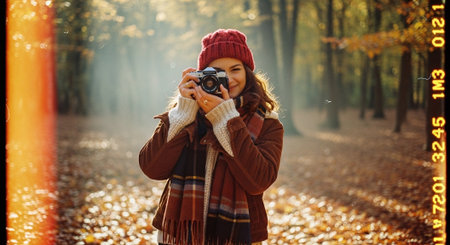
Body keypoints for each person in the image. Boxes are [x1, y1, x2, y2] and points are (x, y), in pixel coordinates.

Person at [139, 29, 284, 245]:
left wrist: (225, 119)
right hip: (180, 235)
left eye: (235, 69)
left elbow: (258, 181)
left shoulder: (267, 122)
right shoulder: (187, 112)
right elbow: (152, 167)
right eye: (217, 72)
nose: (228, 79)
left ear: (247, 73)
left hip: (237, 236)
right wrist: (182, 113)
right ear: (202, 75)